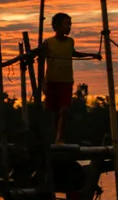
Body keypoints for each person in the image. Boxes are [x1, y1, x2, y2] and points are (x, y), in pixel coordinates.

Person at [38, 12, 100, 144]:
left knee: (64, 110)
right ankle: (55, 139)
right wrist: (43, 83)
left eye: (70, 24)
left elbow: (75, 54)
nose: (69, 27)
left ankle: (60, 138)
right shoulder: (48, 43)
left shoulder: (70, 42)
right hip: (52, 81)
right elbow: (40, 61)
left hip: (66, 82)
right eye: (67, 24)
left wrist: (92, 55)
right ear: (57, 26)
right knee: (54, 112)